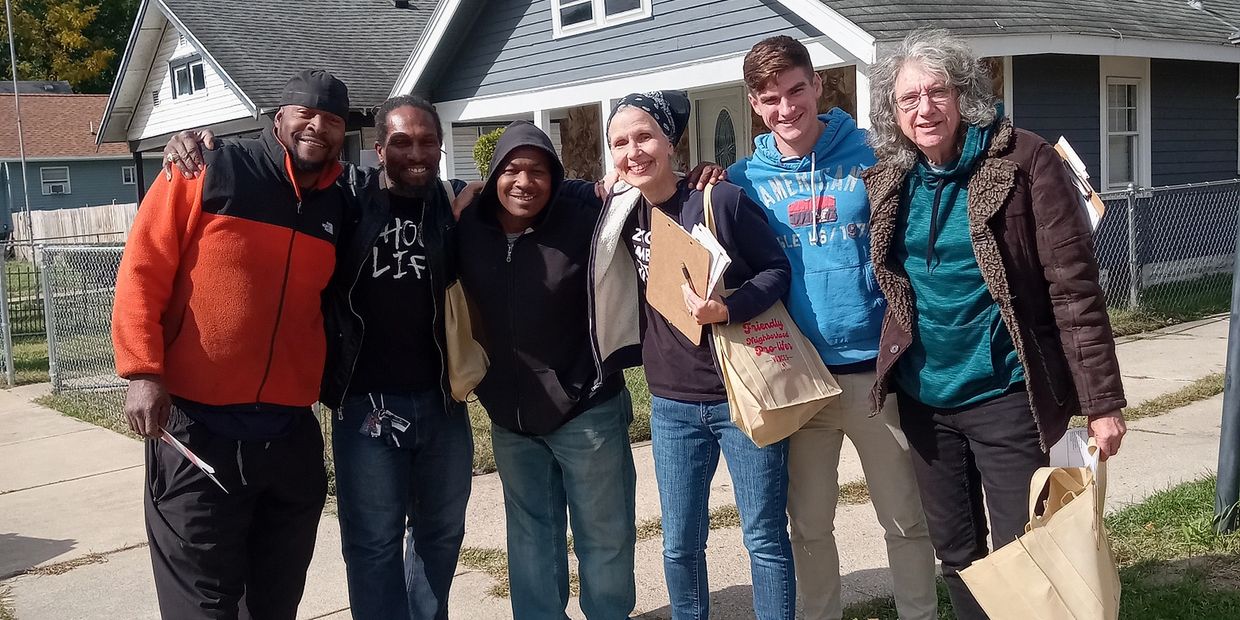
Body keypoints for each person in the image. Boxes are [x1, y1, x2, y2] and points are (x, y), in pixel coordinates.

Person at [159, 96, 473, 620]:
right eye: (401, 141)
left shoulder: (453, 202)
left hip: (442, 403)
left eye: (427, 141)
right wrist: (191, 141)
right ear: (378, 149)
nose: (415, 152)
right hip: (366, 402)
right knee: (373, 543)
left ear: (441, 147)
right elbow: (290, 165)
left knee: (440, 536)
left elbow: (524, 190)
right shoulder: (348, 196)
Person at [863, 29, 1128, 619]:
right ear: (893, 111)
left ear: (964, 94)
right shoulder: (890, 177)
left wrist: (1102, 402)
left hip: (1007, 393)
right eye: (909, 99)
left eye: (938, 92)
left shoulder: (1024, 160)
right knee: (956, 552)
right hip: (926, 400)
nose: (925, 109)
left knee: (1026, 550)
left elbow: (1073, 288)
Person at [112, 69, 349, 619]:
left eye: (333, 120)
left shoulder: (340, 202)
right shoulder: (209, 168)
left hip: (289, 435)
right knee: (202, 605)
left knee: (273, 602)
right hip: (197, 432)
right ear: (278, 117)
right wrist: (143, 372)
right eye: (305, 113)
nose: (318, 126)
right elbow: (142, 271)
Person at [725, 36, 938, 620]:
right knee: (809, 526)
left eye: (796, 90)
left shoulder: (871, 153)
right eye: (770, 99)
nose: (786, 108)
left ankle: (919, 612)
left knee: (904, 517)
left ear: (817, 86)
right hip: (799, 378)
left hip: (876, 371)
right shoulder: (742, 179)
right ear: (754, 104)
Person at [592, 91, 794, 620]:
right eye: (620, 143)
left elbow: (776, 270)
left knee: (764, 538)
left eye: (644, 137)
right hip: (671, 404)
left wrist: (727, 310)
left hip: (740, 395)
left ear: (670, 140)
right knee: (680, 542)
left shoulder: (717, 200)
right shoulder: (618, 211)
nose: (633, 152)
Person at [455, 120, 638, 620]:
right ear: (493, 176)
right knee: (531, 537)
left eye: (538, 171)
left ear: (554, 179)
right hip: (511, 416)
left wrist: (702, 175)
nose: (524, 182)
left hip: (587, 408)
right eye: (511, 169)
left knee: (605, 535)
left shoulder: (583, 217)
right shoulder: (468, 225)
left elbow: (647, 190)